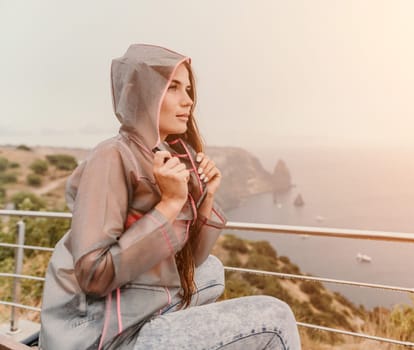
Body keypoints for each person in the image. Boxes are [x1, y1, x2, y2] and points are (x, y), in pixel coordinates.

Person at [39, 44, 301, 350]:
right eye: (173, 87)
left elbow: (191, 260)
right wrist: (171, 204)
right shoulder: (111, 156)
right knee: (276, 318)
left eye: (188, 89)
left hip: (135, 310)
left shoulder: (160, 155)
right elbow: (93, 274)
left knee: (211, 269)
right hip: (100, 335)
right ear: (141, 93)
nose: (188, 101)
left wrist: (205, 198)